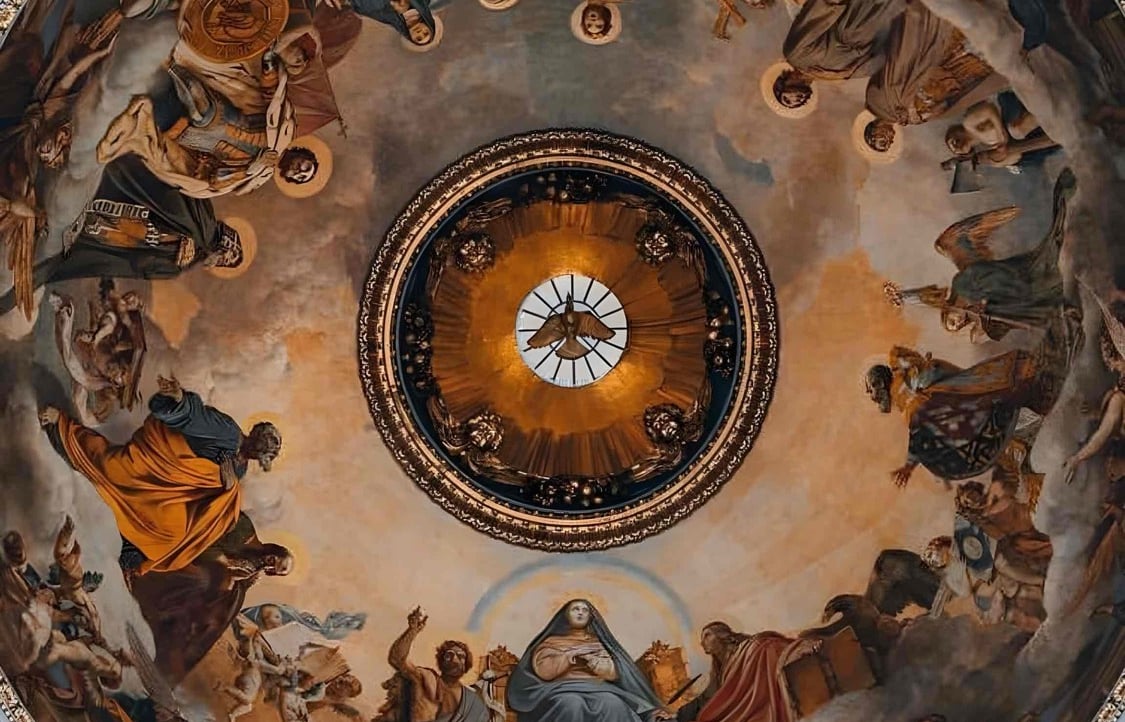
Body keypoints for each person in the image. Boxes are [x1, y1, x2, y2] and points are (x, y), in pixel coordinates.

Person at [38, 373, 281, 575]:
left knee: (172, 532)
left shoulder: (240, 469)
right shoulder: (227, 432)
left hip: (176, 492)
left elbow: (214, 502)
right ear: (253, 439)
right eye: (257, 451)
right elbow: (197, 419)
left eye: (259, 457)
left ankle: (131, 548)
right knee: (112, 467)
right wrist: (180, 399)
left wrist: (228, 489)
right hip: (161, 461)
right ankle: (63, 426)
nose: (254, 457)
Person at [0, 155, 244, 317]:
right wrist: (176, 241)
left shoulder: (191, 254)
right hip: (124, 209)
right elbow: (171, 198)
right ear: (225, 245)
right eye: (225, 258)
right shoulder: (203, 225)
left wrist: (172, 257)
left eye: (223, 264)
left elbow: (142, 264)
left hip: (118, 233)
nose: (218, 263)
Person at [863, 306, 1079, 487]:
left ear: (880, 384)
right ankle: (1060, 351)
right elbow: (922, 430)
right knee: (1022, 375)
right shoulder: (911, 397)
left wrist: (909, 467)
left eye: (870, 388)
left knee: (1021, 373)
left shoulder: (911, 396)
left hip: (975, 415)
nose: (869, 394)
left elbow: (920, 427)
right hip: (972, 430)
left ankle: (1061, 345)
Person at [886, 168, 1076, 342]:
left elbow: (931, 296)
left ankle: (1067, 193)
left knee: (1054, 252)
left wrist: (904, 297)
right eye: (957, 326)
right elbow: (993, 327)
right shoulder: (981, 315)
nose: (957, 322)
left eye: (951, 321)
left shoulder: (962, 283)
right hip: (1022, 292)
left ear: (948, 313)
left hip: (1018, 275)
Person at [127, 512, 292, 683]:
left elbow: (236, 587)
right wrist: (225, 565)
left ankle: (165, 658)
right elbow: (206, 537)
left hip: (212, 588)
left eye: (273, 570)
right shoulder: (244, 528)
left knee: (220, 613)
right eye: (274, 560)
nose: (268, 565)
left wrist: (232, 581)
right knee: (198, 582)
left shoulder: (253, 569)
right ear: (273, 548)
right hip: (193, 555)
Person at [507, 599, 672, 722]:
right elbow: (544, 671)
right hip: (560, 689)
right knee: (570, 704)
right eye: (575, 609)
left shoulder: (600, 643)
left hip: (599, 688)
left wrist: (596, 663)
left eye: (585, 610)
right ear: (566, 615)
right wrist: (569, 657)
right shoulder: (551, 642)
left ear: (590, 616)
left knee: (613, 704)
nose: (580, 613)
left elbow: (615, 672)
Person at [865, 3, 1002, 128]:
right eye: (887, 142)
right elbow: (942, 106)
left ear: (874, 128)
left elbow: (897, 71)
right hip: (954, 76)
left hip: (937, 62)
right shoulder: (913, 118)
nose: (888, 139)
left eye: (881, 139)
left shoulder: (879, 102)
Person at [388, 606, 491, 722]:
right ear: (441, 661)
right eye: (449, 655)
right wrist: (412, 631)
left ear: (466, 665)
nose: (454, 659)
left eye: (461, 657)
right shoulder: (427, 679)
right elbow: (397, 659)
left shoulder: (474, 704)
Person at [675, 622, 794, 722]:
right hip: (740, 706)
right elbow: (711, 695)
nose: (702, 642)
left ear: (722, 635)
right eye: (702, 638)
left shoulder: (747, 651)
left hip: (754, 706)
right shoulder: (719, 668)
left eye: (707, 635)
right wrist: (683, 712)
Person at [782, 0, 906, 83]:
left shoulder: (835, 75)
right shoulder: (797, 56)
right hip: (858, 17)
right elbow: (820, 12)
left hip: (876, 21)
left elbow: (879, 61)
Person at [322, 0, 438, 46]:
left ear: (410, 37)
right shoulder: (423, 1)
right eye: (425, 33)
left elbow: (360, 7)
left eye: (418, 38)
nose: (419, 33)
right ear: (429, 25)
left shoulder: (386, 16)